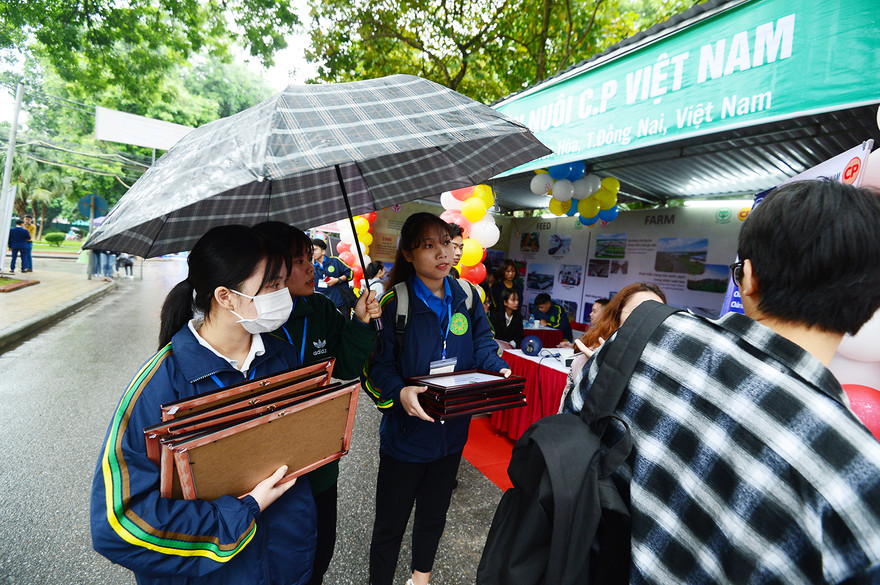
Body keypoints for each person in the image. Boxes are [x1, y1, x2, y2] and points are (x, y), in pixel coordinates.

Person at [562, 179, 880, 585]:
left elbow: (568, 433)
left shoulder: (645, 338)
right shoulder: (860, 476)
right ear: (870, 304)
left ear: (747, 277)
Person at [90, 225, 317, 585]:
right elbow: (119, 524)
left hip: (286, 563)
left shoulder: (283, 357)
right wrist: (244, 511)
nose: (283, 293)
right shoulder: (159, 385)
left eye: (283, 282)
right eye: (272, 285)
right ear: (226, 297)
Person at [363, 212, 510, 585]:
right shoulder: (394, 302)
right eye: (428, 245)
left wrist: (497, 368)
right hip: (406, 439)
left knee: (434, 516)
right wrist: (399, 392)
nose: (443, 253)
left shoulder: (466, 295)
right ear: (408, 254)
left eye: (445, 242)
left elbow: (482, 341)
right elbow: (377, 367)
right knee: (390, 525)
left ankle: (420, 579)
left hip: (451, 434)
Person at [254, 221, 381, 585]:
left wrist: (361, 322)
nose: (311, 268)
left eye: (310, 258)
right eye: (299, 261)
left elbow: (347, 366)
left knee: (319, 551)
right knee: (274, 559)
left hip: (318, 459)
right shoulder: (252, 320)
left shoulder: (321, 309)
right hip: (265, 469)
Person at [559, 283, 665, 410]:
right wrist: (599, 368)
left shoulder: (666, 365)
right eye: (638, 312)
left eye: (658, 315)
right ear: (617, 316)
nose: (649, 320)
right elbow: (569, 412)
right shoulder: (588, 360)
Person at [311, 238, 353, 309]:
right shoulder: (312, 268)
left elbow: (350, 274)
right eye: (311, 250)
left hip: (341, 303)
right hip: (324, 306)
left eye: (315, 250)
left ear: (323, 251)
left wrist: (337, 280)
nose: (312, 252)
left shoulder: (335, 261)